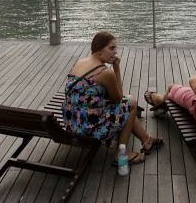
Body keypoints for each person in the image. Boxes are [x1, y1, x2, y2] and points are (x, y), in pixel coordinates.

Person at [64, 31, 163, 165]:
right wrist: (116, 68)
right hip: (89, 126)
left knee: (126, 105)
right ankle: (121, 154)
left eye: (115, 48)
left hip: (73, 121)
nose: (115, 52)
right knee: (131, 102)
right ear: (99, 49)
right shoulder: (105, 72)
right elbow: (118, 99)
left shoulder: (80, 62)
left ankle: (147, 140)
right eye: (111, 48)